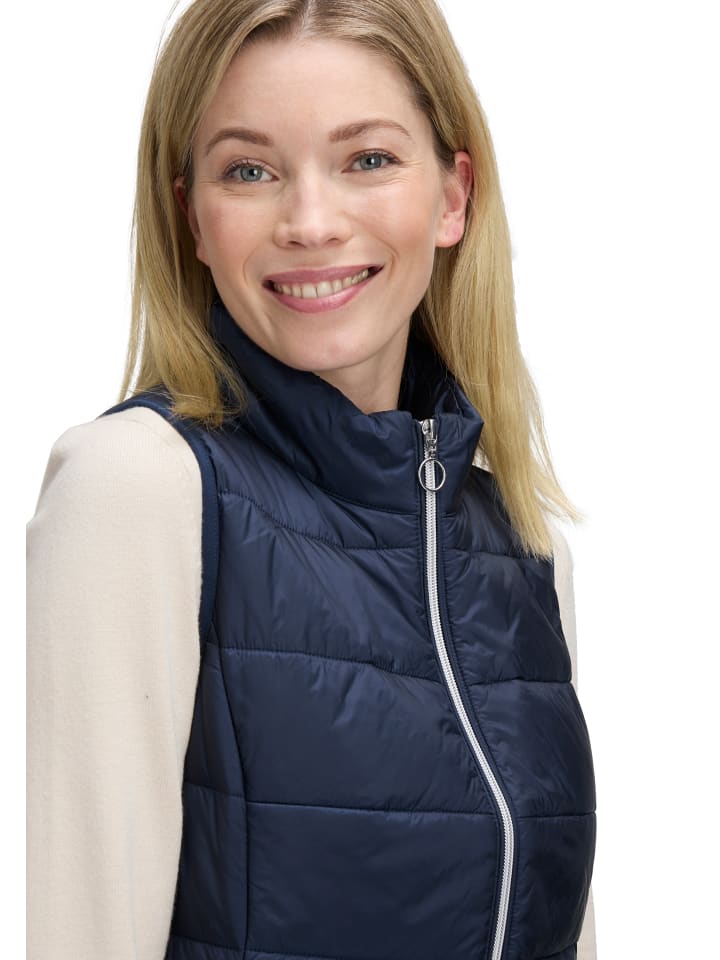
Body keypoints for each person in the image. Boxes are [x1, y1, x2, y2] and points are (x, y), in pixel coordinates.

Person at [27, 1, 597, 958]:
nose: (310, 222)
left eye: (367, 159)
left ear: (453, 197)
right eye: (249, 171)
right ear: (193, 217)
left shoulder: (521, 546)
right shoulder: (140, 490)